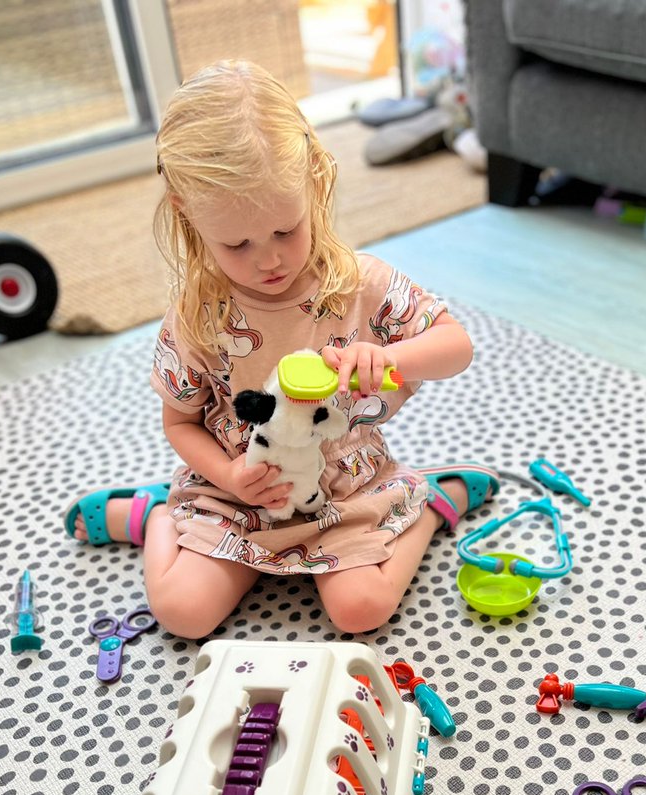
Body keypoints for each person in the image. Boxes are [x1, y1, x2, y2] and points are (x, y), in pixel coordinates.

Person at [64, 61, 499, 637]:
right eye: (237, 243)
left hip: (345, 487)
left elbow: (456, 346)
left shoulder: (357, 282)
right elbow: (180, 423)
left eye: (286, 231)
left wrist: (391, 360)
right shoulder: (199, 314)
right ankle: (157, 516)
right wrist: (227, 474)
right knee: (182, 614)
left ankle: (428, 501)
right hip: (238, 492)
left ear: (315, 181)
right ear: (186, 215)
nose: (268, 260)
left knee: (360, 611)